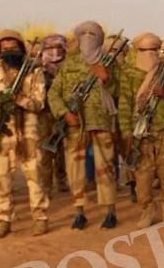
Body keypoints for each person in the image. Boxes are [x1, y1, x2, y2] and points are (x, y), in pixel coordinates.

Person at [48, 20, 121, 230]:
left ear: (100, 38)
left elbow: (119, 93)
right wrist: (65, 113)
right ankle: (79, 211)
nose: (88, 37)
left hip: (101, 121)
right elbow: (54, 93)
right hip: (75, 125)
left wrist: (107, 79)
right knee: (75, 169)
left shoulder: (109, 62)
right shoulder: (70, 63)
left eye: (93, 34)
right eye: (84, 33)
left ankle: (110, 210)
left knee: (105, 168)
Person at [0, 29, 49, 237]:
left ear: (21, 47)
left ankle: (40, 217)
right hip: (3, 132)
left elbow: (39, 103)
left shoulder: (34, 71)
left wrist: (18, 100)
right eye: (5, 47)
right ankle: (2, 220)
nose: (10, 50)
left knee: (35, 175)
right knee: (1, 177)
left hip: (29, 131)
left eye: (14, 47)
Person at [118, 31, 164, 228]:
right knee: (143, 174)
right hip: (140, 132)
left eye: (154, 49)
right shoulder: (129, 73)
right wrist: (126, 134)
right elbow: (124, 105)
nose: (150, 54)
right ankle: (147, 210)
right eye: (145, 50)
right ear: (137, 50)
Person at [37, 32, 68, 197]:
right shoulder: (38, 65)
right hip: (44, 113)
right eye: (50, 47)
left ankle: (62, 180)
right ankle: (46, 185)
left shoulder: (68, 66)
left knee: (62, 148)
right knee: (45, 149)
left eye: (58, 47)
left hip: (63, 111)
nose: (54, 51)